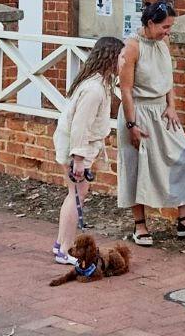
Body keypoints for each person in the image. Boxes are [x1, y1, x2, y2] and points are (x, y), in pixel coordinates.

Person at [117, 0, 185, 245]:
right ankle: (140, 226)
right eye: (165, 27)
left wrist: (171, 104)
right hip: (138, 111)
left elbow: (167, 76)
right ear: (150, 23)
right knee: (136, 167)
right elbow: (126, 91)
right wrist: (131, 124)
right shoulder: (131, 48)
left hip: (161, 110)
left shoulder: (163, 42)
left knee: (183, 158)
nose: (168, 31)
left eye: (170, 26)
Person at [52, 36, 125, 266]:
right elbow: (80, 126)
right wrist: (79, 159)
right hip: (75, 148)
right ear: (111, 58)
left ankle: (61, 243)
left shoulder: (97, 82)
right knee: (76, 195)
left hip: (75, 146)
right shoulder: (94, 89)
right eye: (121, 57)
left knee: (76, 194)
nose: (124, 62)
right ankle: (64, 248)